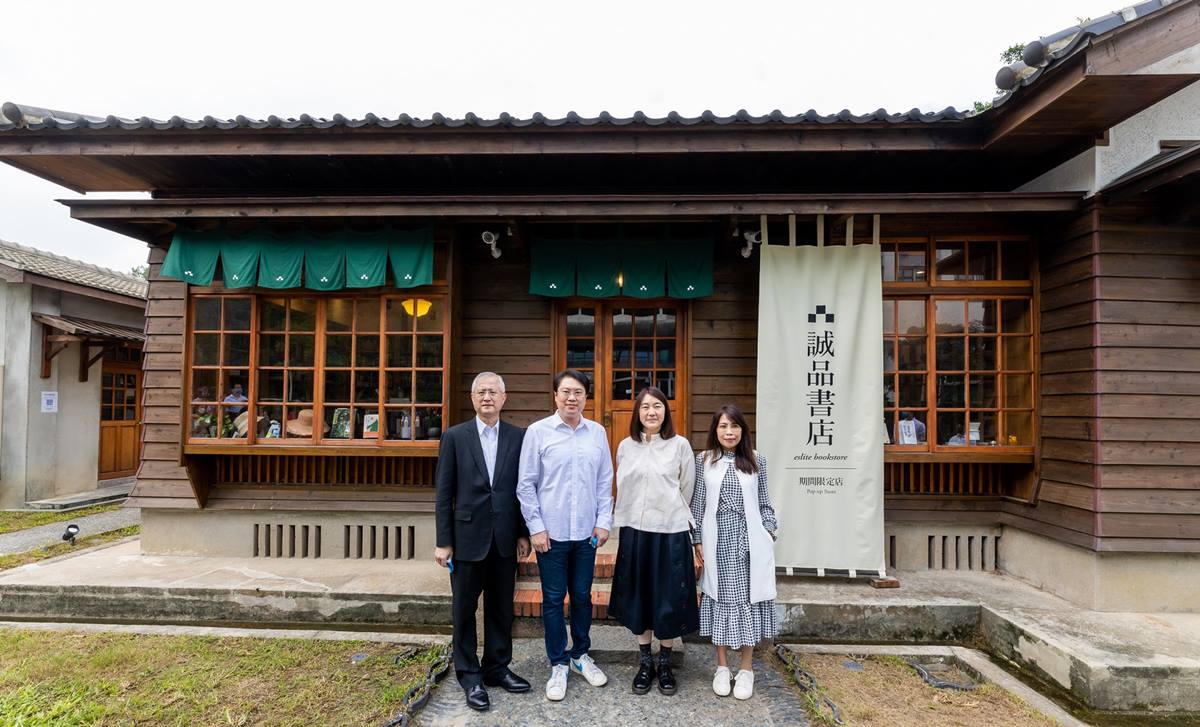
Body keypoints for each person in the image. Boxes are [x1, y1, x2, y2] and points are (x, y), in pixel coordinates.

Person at [435, 372, 532, 712]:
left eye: (493, 391)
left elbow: (523, 490)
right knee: (464, 609)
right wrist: (443, 541)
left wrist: (523, 532)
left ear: (504, 398)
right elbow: (444, 493)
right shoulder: (455, 437)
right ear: (473, 398)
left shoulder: (518, 438)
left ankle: (497, 667)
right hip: (466, 540)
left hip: (505, 539)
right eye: (481, 391)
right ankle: (469, 674)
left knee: (501, 608)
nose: (487, 397)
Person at [516, 369, 614, 702]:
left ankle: (580, 655)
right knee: (554, 601)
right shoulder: (538, 432)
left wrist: (604, 522)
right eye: (566, 392)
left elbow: (604, 482)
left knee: (583, 597)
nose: (572, 398)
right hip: (551, 535)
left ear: (586, 398)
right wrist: (536, 528)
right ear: (555, 395)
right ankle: (558, 662)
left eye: (578, 393)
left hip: (586, 534)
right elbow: (526, 484)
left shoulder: (597, 433)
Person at [608, 386, 698, 696]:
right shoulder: (625, 446)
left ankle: (665, 663)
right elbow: (624, 486)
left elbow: (687, 488)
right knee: (640, 595)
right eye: (645, 407)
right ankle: (645, 662)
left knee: (668, 597)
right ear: (637, 413)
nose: (651, 412)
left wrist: (670, 512)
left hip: (671, 531)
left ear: (666, 411)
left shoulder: (679, 445)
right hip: (635, 531)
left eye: (657, 406)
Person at [690, 404, 778, 701]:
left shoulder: (756, 460)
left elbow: (765, 501)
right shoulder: (704, 460)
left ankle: (746, 668)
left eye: (735, 426)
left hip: (750, 538)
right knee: (719, 597)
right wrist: (696, 540)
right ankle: (722, 666)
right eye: (723, 426)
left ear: (743, 430)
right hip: (716, 539)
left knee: (747, 599)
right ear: (715, 431)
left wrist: (769, 530)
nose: (729, 432)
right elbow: (697, 504)